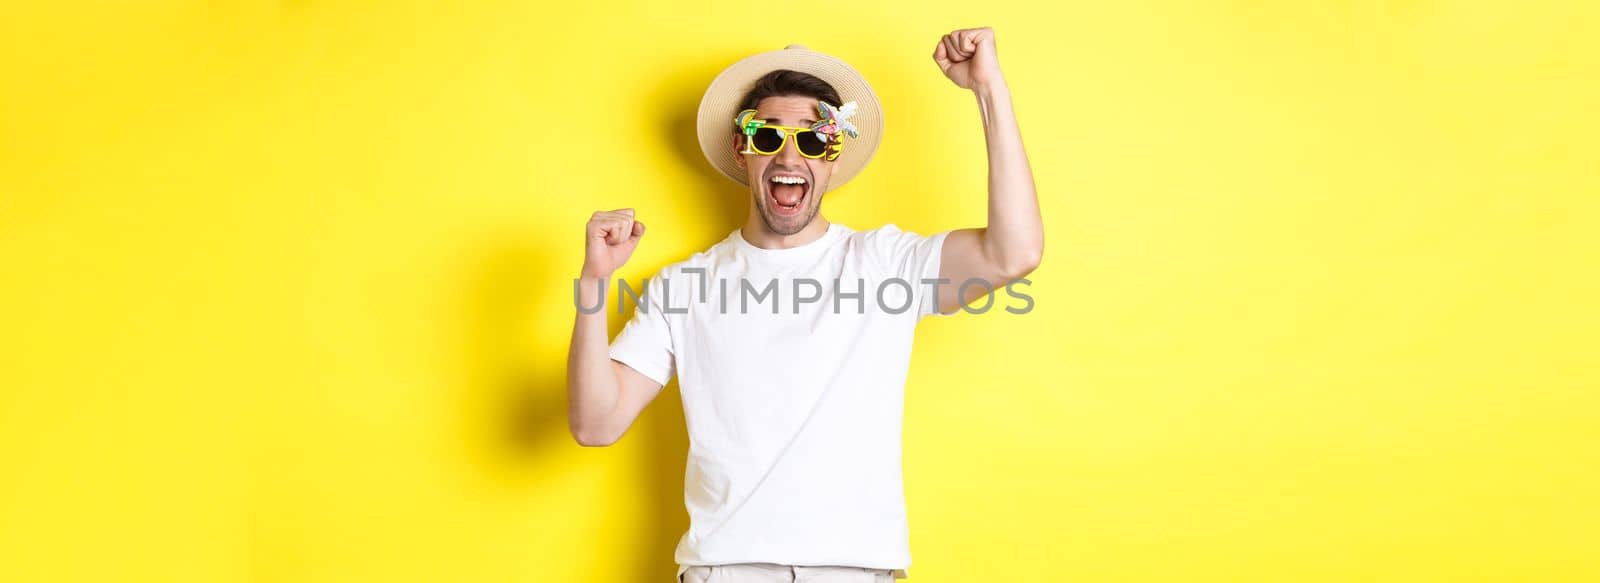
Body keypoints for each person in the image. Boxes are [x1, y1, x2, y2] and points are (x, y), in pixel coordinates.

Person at [566, 28, 1042, 582]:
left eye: (814, 141)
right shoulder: (683, 286)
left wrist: (989, 90)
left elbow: (1016, 252)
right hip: (726, 571)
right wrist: (594, 284)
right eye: (768, 137)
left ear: (833, 157)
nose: (790, 155)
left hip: (855, 572)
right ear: (744, 150)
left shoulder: (886, 265)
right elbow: (595, 423)